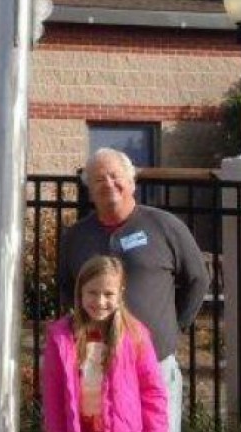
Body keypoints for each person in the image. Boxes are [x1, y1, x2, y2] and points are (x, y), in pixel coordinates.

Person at [58, 148, 209, 432]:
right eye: (99, 179)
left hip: (154, 361)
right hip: (95, 361)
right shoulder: (76, 237)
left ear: (132, 182)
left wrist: (175, 325)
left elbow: (198, 279)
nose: (109, 184)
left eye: (115, 176)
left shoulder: (164, 226)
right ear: (89, 189)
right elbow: (67, 289)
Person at [43, 255, 168, 432]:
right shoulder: (61, 338)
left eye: (108, 294)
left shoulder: (136, 335)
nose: (100, 301)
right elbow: (53, 397)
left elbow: (152, 393)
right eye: (92, 292)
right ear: (80, 292)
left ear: (120, 294)